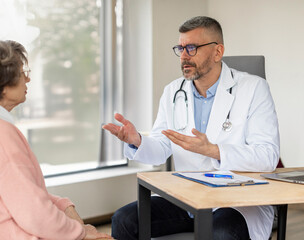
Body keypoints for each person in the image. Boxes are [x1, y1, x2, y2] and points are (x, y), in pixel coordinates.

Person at [103, 16, 280, 240]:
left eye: (192, 48)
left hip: (236, 201)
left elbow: (267, 156)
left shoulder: (254, 89)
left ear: (217, 52)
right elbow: (161, 146)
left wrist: (214, 150)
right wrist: (137, 140)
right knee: (124, 220)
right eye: (180, 48)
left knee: (222, 233)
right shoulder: (172, 91)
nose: (184, 56)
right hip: (187, 198)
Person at [0, 37, 112, 240]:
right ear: (2, 85)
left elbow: (24, 195)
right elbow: (34, 214)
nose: (27, 80)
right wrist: (80, 233)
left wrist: (64, 206)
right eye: (22, 74)